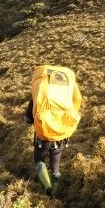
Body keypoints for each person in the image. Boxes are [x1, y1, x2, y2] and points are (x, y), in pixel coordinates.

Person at [24, 65, 82, 193]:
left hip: (44, 132)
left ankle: (46, 187)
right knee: (55, 164)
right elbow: (77, 102)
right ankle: (55, 193)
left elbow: (28, 119)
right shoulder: (67, 92)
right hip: (63, 130)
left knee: (39, 160)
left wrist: (31, 118)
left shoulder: (40, 92)